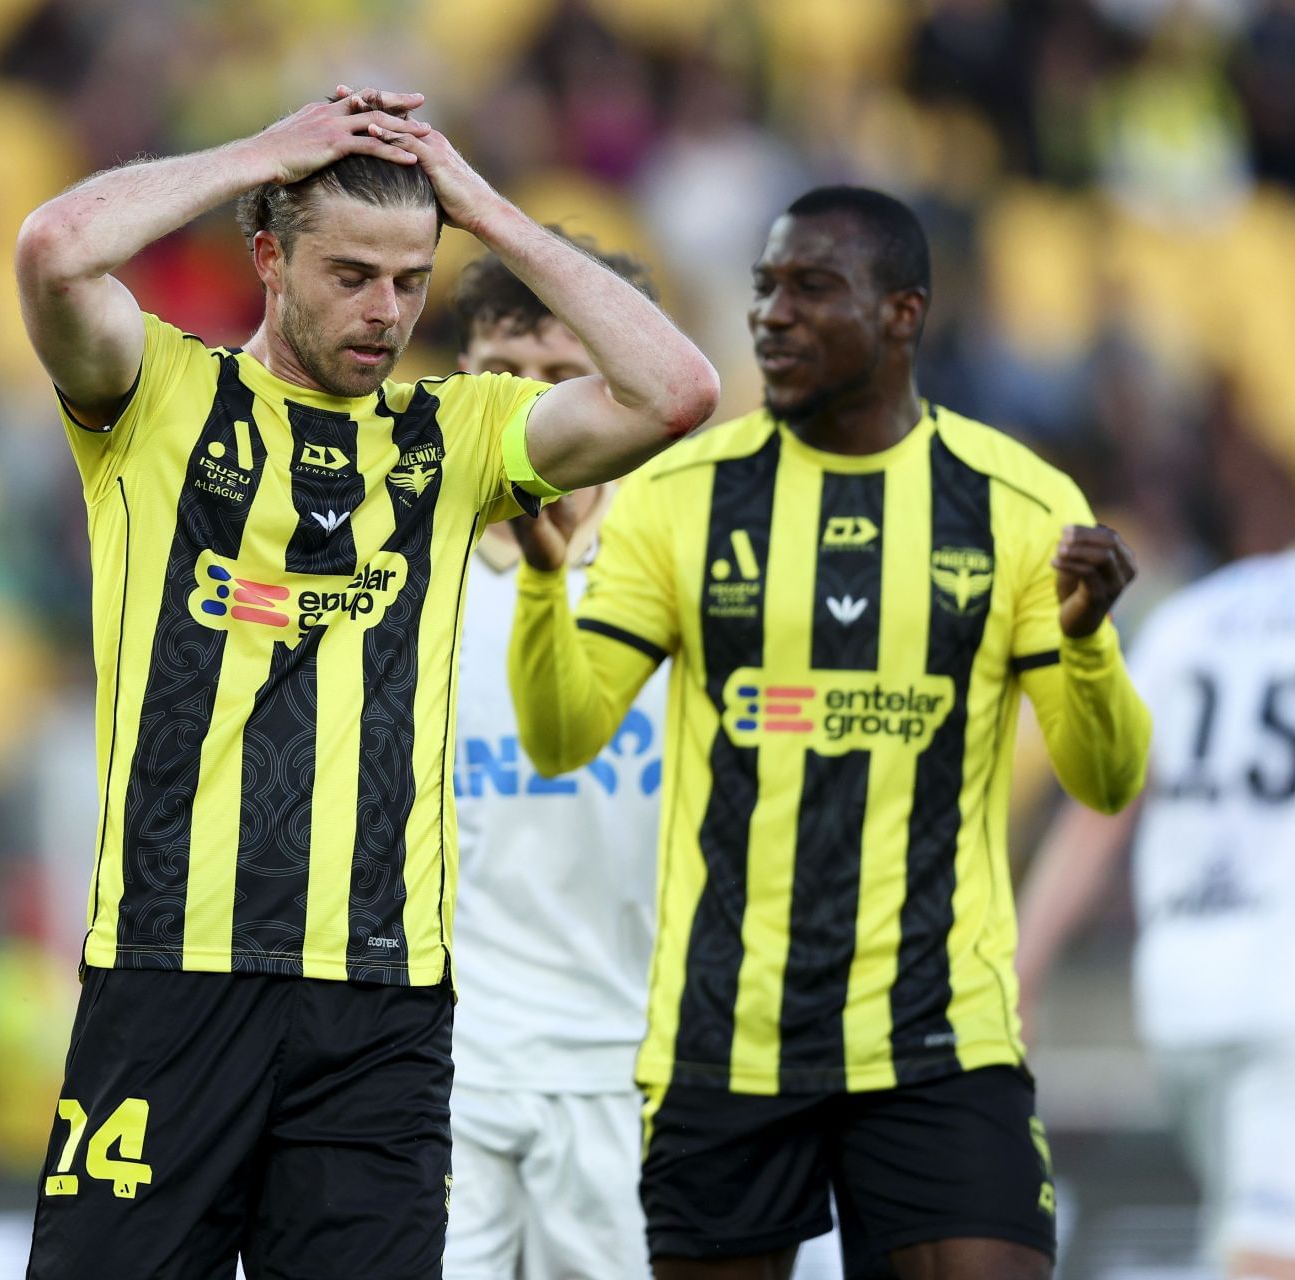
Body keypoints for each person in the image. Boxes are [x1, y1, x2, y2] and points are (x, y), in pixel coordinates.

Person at [13, 85, 719, 1277]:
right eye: (350, 274)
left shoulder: (456, 438)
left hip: (381, 1001)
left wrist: (483, 210)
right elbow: (54, 248)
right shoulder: (157, 397)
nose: (385, 310)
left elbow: (678, 391)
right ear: (269, 258)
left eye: (411, 279)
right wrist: (261, 151)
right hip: (170, 971)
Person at [507, 185, 1150, 1280]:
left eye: (812, 287)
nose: (773, 314)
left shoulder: (1017, 502)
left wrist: (1087, 646)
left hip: (939, 1037)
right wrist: (540, 583)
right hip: (728, 1035)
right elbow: (564, 737)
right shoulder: (681, 495)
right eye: (764, 288)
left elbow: (1107, 777)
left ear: (903, 313)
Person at [444, 235, 671, 1278]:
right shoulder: (401, 567)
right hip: (442, 1061)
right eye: (503, 369)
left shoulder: (679, 571)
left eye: (560, 371)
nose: (530, 401)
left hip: (632, 1062)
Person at [1017, 544, 1295, 1280]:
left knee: (1246, 1230)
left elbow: (1100, 810)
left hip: (1184, 995)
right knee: (1270, 1256)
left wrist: (1022, 970)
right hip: (1284, 1000)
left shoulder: (1192, 618)